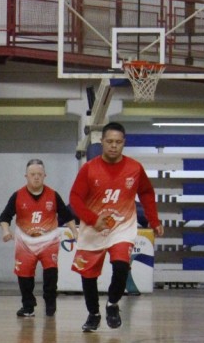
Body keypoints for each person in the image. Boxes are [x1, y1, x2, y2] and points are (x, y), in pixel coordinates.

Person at [68, 122, 163, 332]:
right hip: (93, 228)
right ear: (102, 142)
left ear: (124, 143)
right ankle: (93, 314)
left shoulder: (135, 168)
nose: (113, 146)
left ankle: (112, 304)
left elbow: (146, 193)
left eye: (118, 142)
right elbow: (75, 198)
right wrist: (92, 219)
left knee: (121, 266)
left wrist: (154, 220)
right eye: (109, 141)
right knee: (88, 276)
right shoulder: (89, 169)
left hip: (122, 227)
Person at [0, 159, 78, 318]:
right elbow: (5, 216)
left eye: (39, 174)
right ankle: (28, 306)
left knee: (50, 273)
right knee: (24, 275)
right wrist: (6, 231)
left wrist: (74, 231)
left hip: (48, 240)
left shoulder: (53, 195)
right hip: (25, 241)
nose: (36, 177)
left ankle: (50, 302)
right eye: (32, 174)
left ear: (44, 176)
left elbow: (67, 215)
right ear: (26, 176)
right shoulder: (18, 195)